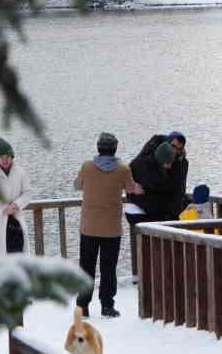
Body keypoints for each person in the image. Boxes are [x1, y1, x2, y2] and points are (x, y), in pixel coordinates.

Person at [74, 131, 142, 317]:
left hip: (89, 227)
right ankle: (107, 305)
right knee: (108, 268)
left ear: (98, 147)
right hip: (111, 228)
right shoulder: (123, 169)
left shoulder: (87, 167)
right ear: (114, 149)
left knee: (86, 267)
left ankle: (83, 305)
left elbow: (77, 185)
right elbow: (130, 188)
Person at [129, 131, 189, 222]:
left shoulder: (180, 162)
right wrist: (131, 185)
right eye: (173, 146)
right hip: (146, 207)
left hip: (164, 209)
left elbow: (179, 188)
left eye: (178, 149)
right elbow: (130, 169)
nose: (175, 150)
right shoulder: (146, 161)